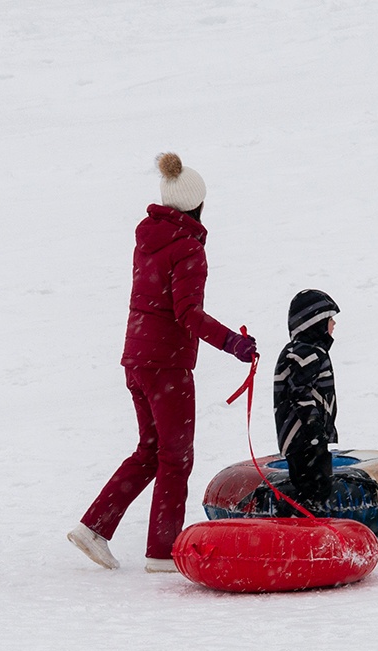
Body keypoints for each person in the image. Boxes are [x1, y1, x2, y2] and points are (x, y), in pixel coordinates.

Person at [67, 153, 257, 572]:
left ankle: (93, 528)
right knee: (176, 456)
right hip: (166, 365)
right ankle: (162, 552)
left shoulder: (150, 238)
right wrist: (233, 344)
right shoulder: (188, 247)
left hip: (136, 357)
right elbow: (187, 313)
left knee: (151, 451)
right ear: (198, 205)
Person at [271, 289, 341, 515]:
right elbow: (299, 393)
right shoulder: (303, 352)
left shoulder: (312, 351)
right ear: (316, 322)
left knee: (318, 485)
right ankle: (296, 522)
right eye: (330, 319)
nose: (334, 325)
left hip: (310, 437)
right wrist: (313, 427)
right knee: (311, 486)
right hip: (303, 437)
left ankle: (308, 520)